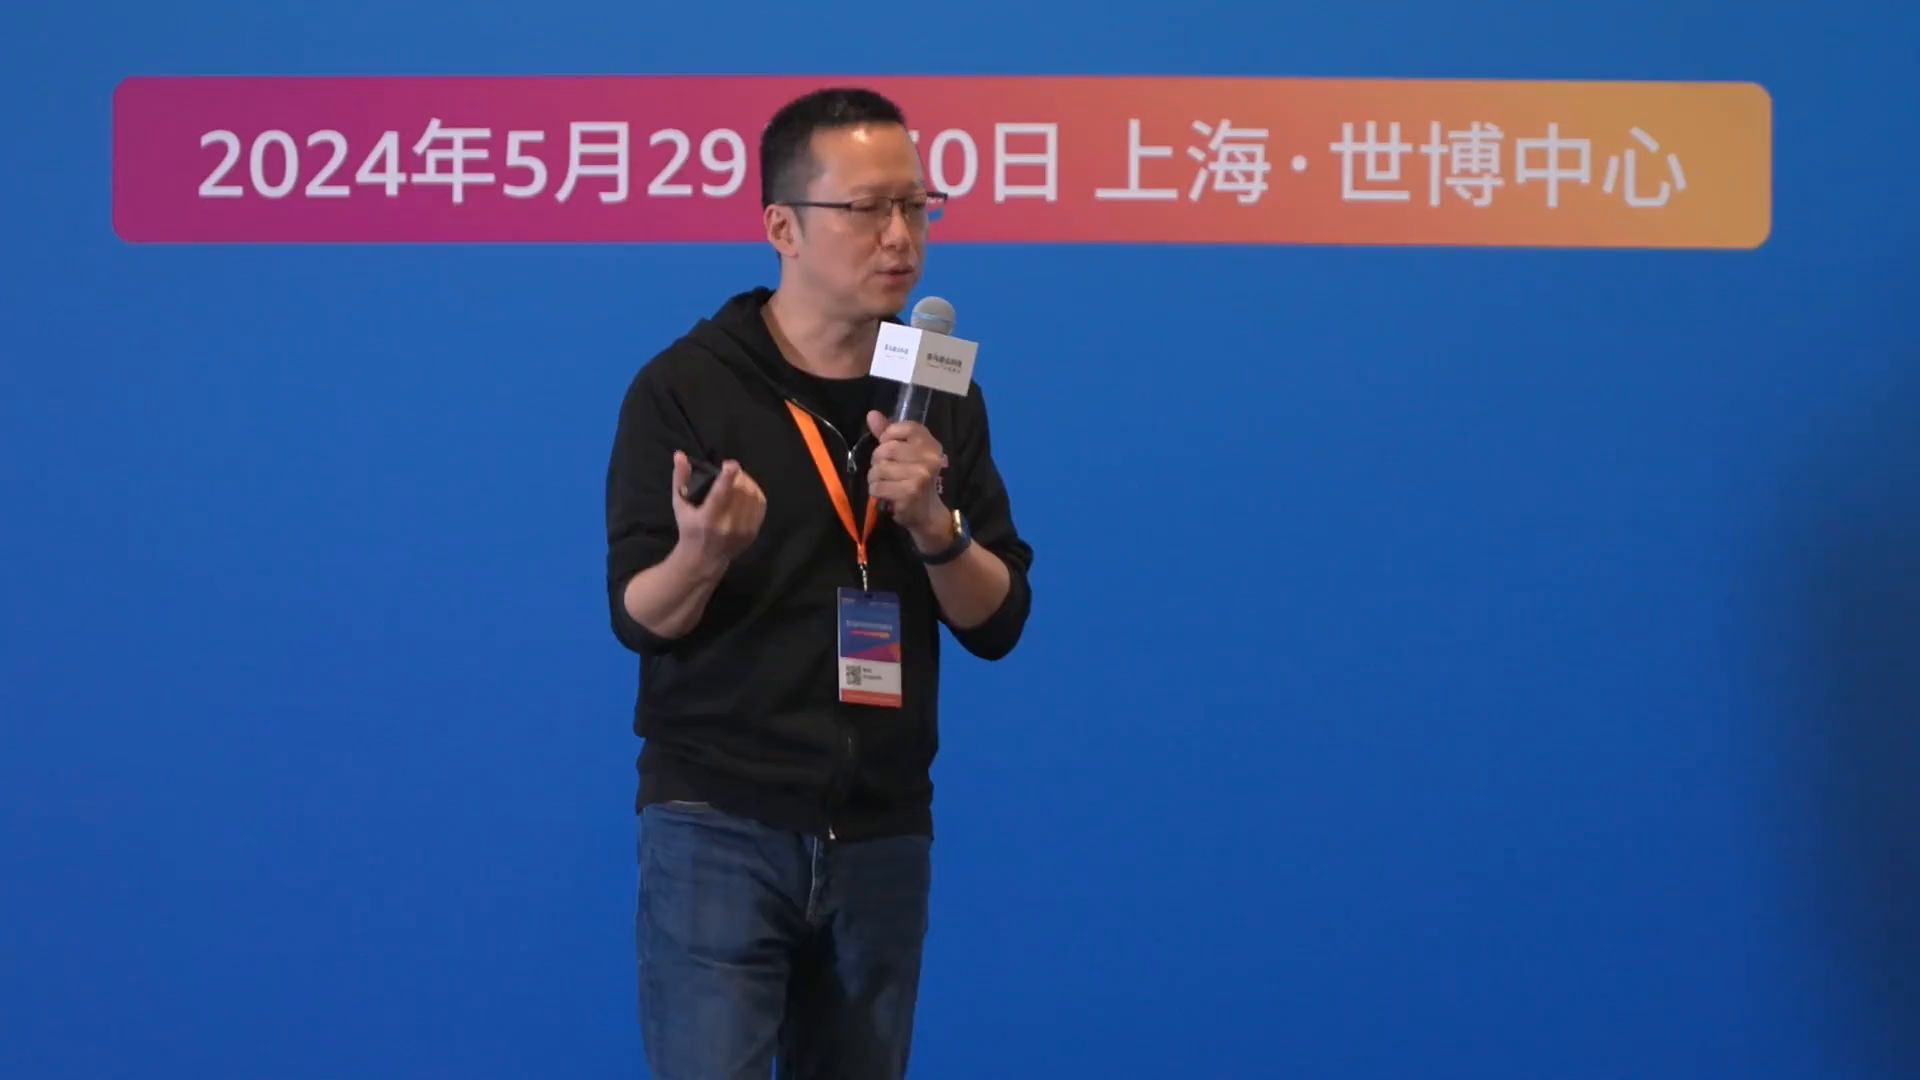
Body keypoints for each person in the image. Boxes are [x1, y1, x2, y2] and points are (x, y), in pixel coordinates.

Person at [602, 87, 1035, 1079]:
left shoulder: (939, 391)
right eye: (868, 209)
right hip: (719, 821)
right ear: (782, 228)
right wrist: (703, 554)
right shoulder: (686, 387)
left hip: (882, 828)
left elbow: (1000, 618)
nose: (901, 237)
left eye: (917, 206)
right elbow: (638, 614)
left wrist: (934, 527)